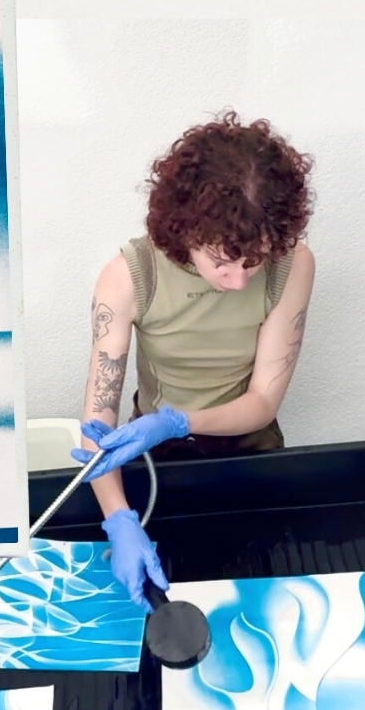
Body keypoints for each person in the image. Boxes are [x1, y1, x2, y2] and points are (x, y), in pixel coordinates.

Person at [72, 110, 316, 611]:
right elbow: (97, 424)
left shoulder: (292, 264)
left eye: (254, 260)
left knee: (258, 598)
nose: (239, 281)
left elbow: (263, 401)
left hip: (249, 442)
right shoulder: (129, 277)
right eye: (221, 262)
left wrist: (180, 420)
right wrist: (118, 519)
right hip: (155, 453)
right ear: (183, 231)